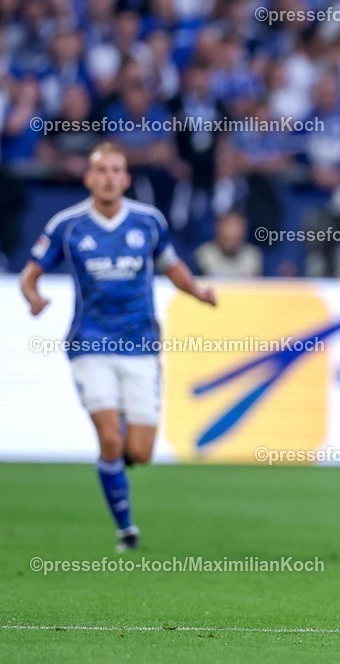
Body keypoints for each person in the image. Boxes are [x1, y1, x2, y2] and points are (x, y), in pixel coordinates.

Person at [19, 142, 216, 552]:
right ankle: (126, 529)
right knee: (110, 440)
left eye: (115, 170)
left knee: (139, 452)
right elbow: (30, 273)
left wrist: (196, 290)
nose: (108, 177)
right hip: (89, 344)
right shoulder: (68, 225)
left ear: (126, 179)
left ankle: (120, 440)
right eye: (100, 170)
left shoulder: (148, 221)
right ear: (89, 178)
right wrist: (33, 297)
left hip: (141, 345)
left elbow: (170, 265)